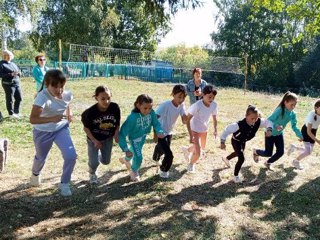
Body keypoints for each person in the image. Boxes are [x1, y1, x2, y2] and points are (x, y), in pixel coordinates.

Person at [29, 69, 77, 197]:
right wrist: (51, 118)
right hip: (42, 131)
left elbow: (66, 103)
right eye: (55, 86)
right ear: (46, 84)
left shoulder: (68, 94)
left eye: (61, 86)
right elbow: (32, 119)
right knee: (41, 157)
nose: (59, 90)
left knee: (71, 156)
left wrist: (69, 113)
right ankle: (35, 174)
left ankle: (65, 183)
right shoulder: (42, 97)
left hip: (61, 128)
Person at [220, 105, 273, 183]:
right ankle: (235, 176)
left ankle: (226, 158)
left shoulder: (258, 122)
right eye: (252, 118)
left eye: (256, 118)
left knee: (238, 153)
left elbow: (269, 122)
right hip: (236, 141)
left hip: (243, 141)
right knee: (241, 158)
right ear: (246, 116)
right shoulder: (238, 125)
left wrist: (269, 129)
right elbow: (226, 130)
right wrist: (222, 141)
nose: (254, 120)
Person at [118, 94, 165, 182]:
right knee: (138, 157)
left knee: (134, 151)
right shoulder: (132, 118)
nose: (148, 111)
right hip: (134, 139)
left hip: (143, 137)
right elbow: (122, 134)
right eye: (145, 108)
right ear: (138, 105)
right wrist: (125, 149)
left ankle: (126, 160)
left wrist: (159, 131)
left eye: (150, 108)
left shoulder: (151, 113)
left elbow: (156, 123)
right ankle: (134, 171)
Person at [253, 91, 303, 170]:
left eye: (295, 104)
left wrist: (300, 135)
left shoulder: (293, 114)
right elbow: (269, 120)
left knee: (280, 152)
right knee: (268, 153)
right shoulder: (279, 110)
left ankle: (268, 162)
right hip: (270, 133)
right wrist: (276, 126)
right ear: (285, 102)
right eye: (291, 104)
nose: (293, 107)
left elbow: (294, 126)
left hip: (279, 134)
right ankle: (256, 151)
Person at [81, 85, 121, 183]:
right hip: (94, 139)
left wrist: (116, 133)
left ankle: (97, 156)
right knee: (94, 162)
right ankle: (92, 173)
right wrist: (94, 141)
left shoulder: (114, 107)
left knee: (106, 161)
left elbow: (117, 122)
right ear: (96, 98)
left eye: (108, 98)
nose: (106, 101)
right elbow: (86, 128)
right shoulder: (89, 113)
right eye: (103, 98)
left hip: (108, 138)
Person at [152, 84, 188, 178]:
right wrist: (155, 134)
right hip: (160, 132)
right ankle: (163, 171)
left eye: (183, 97)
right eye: (179, 97)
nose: (181, 100)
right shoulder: (165, 105)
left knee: (163, 150)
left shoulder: (181, 105)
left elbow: (184, 119)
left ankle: (155, 157)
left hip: (169, 132)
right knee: (169, 155)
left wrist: (187, 118)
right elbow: (154, 118)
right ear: (173, 94)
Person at [182, 85, 218, 173]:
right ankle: (191, 164)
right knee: (198, 153)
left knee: (201, 147)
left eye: (213, 97)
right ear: (203, 95)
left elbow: (214, 117)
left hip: (204, 130)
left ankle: (187, 150)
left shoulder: (214, 105)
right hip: (194, 129)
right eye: (209, 97)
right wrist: (191, 135)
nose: (211, 99)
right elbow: (187, 120)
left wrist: (215, 129)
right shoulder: (197, 105)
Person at [287, 99, 320, 170]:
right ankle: (296, 161)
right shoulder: (312, 115)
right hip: (306, 132)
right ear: (316, 107)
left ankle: (294, 147)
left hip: (313, 131)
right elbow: (308, 132)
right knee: (308, 152)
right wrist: (318, 141)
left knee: (309, 151)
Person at [0, 50, 22, 118]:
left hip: (16, 83)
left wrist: (19, 73)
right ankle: (11, 114)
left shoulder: (13, 63)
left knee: (19, 98)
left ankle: (16, 112)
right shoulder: (1, 64)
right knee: (10, 99)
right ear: (3, 56)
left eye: (10, 55)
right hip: (8, 84)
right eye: (7, 55)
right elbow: (1, 75)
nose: (9, 57)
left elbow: (18, 71)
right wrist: (10, 74)